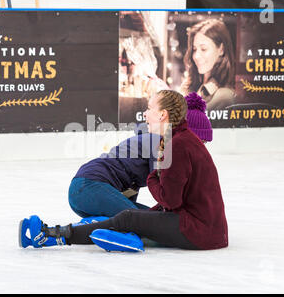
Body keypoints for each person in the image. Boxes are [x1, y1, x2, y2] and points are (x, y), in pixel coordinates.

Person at [19, 90, 228, 251]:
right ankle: (65, 233)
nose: (145, 114)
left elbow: (170, 200)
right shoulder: (175, 142)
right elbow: (170, 197)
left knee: (132, 218)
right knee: (132, 217)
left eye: (149, 108)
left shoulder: (177, 144)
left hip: (200, 230)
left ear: (163, 114)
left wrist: (152, 180)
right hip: (93, 186)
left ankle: (56, 235)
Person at [68, 92, 213, 220]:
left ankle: (97, 225)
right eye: (202, 142)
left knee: (147, 217)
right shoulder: (162, 142)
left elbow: (132, 186)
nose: (201, 147)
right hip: (90, 186)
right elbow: (166, 190)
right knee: (153, 221)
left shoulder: (158, 141)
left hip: (84, 191)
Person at [181, 18, 236, 110]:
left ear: (221, 49)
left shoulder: (225, 96)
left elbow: (192, 121)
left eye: (204, 49)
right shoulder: (194, 86)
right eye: (194, 49)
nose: (196, 56)